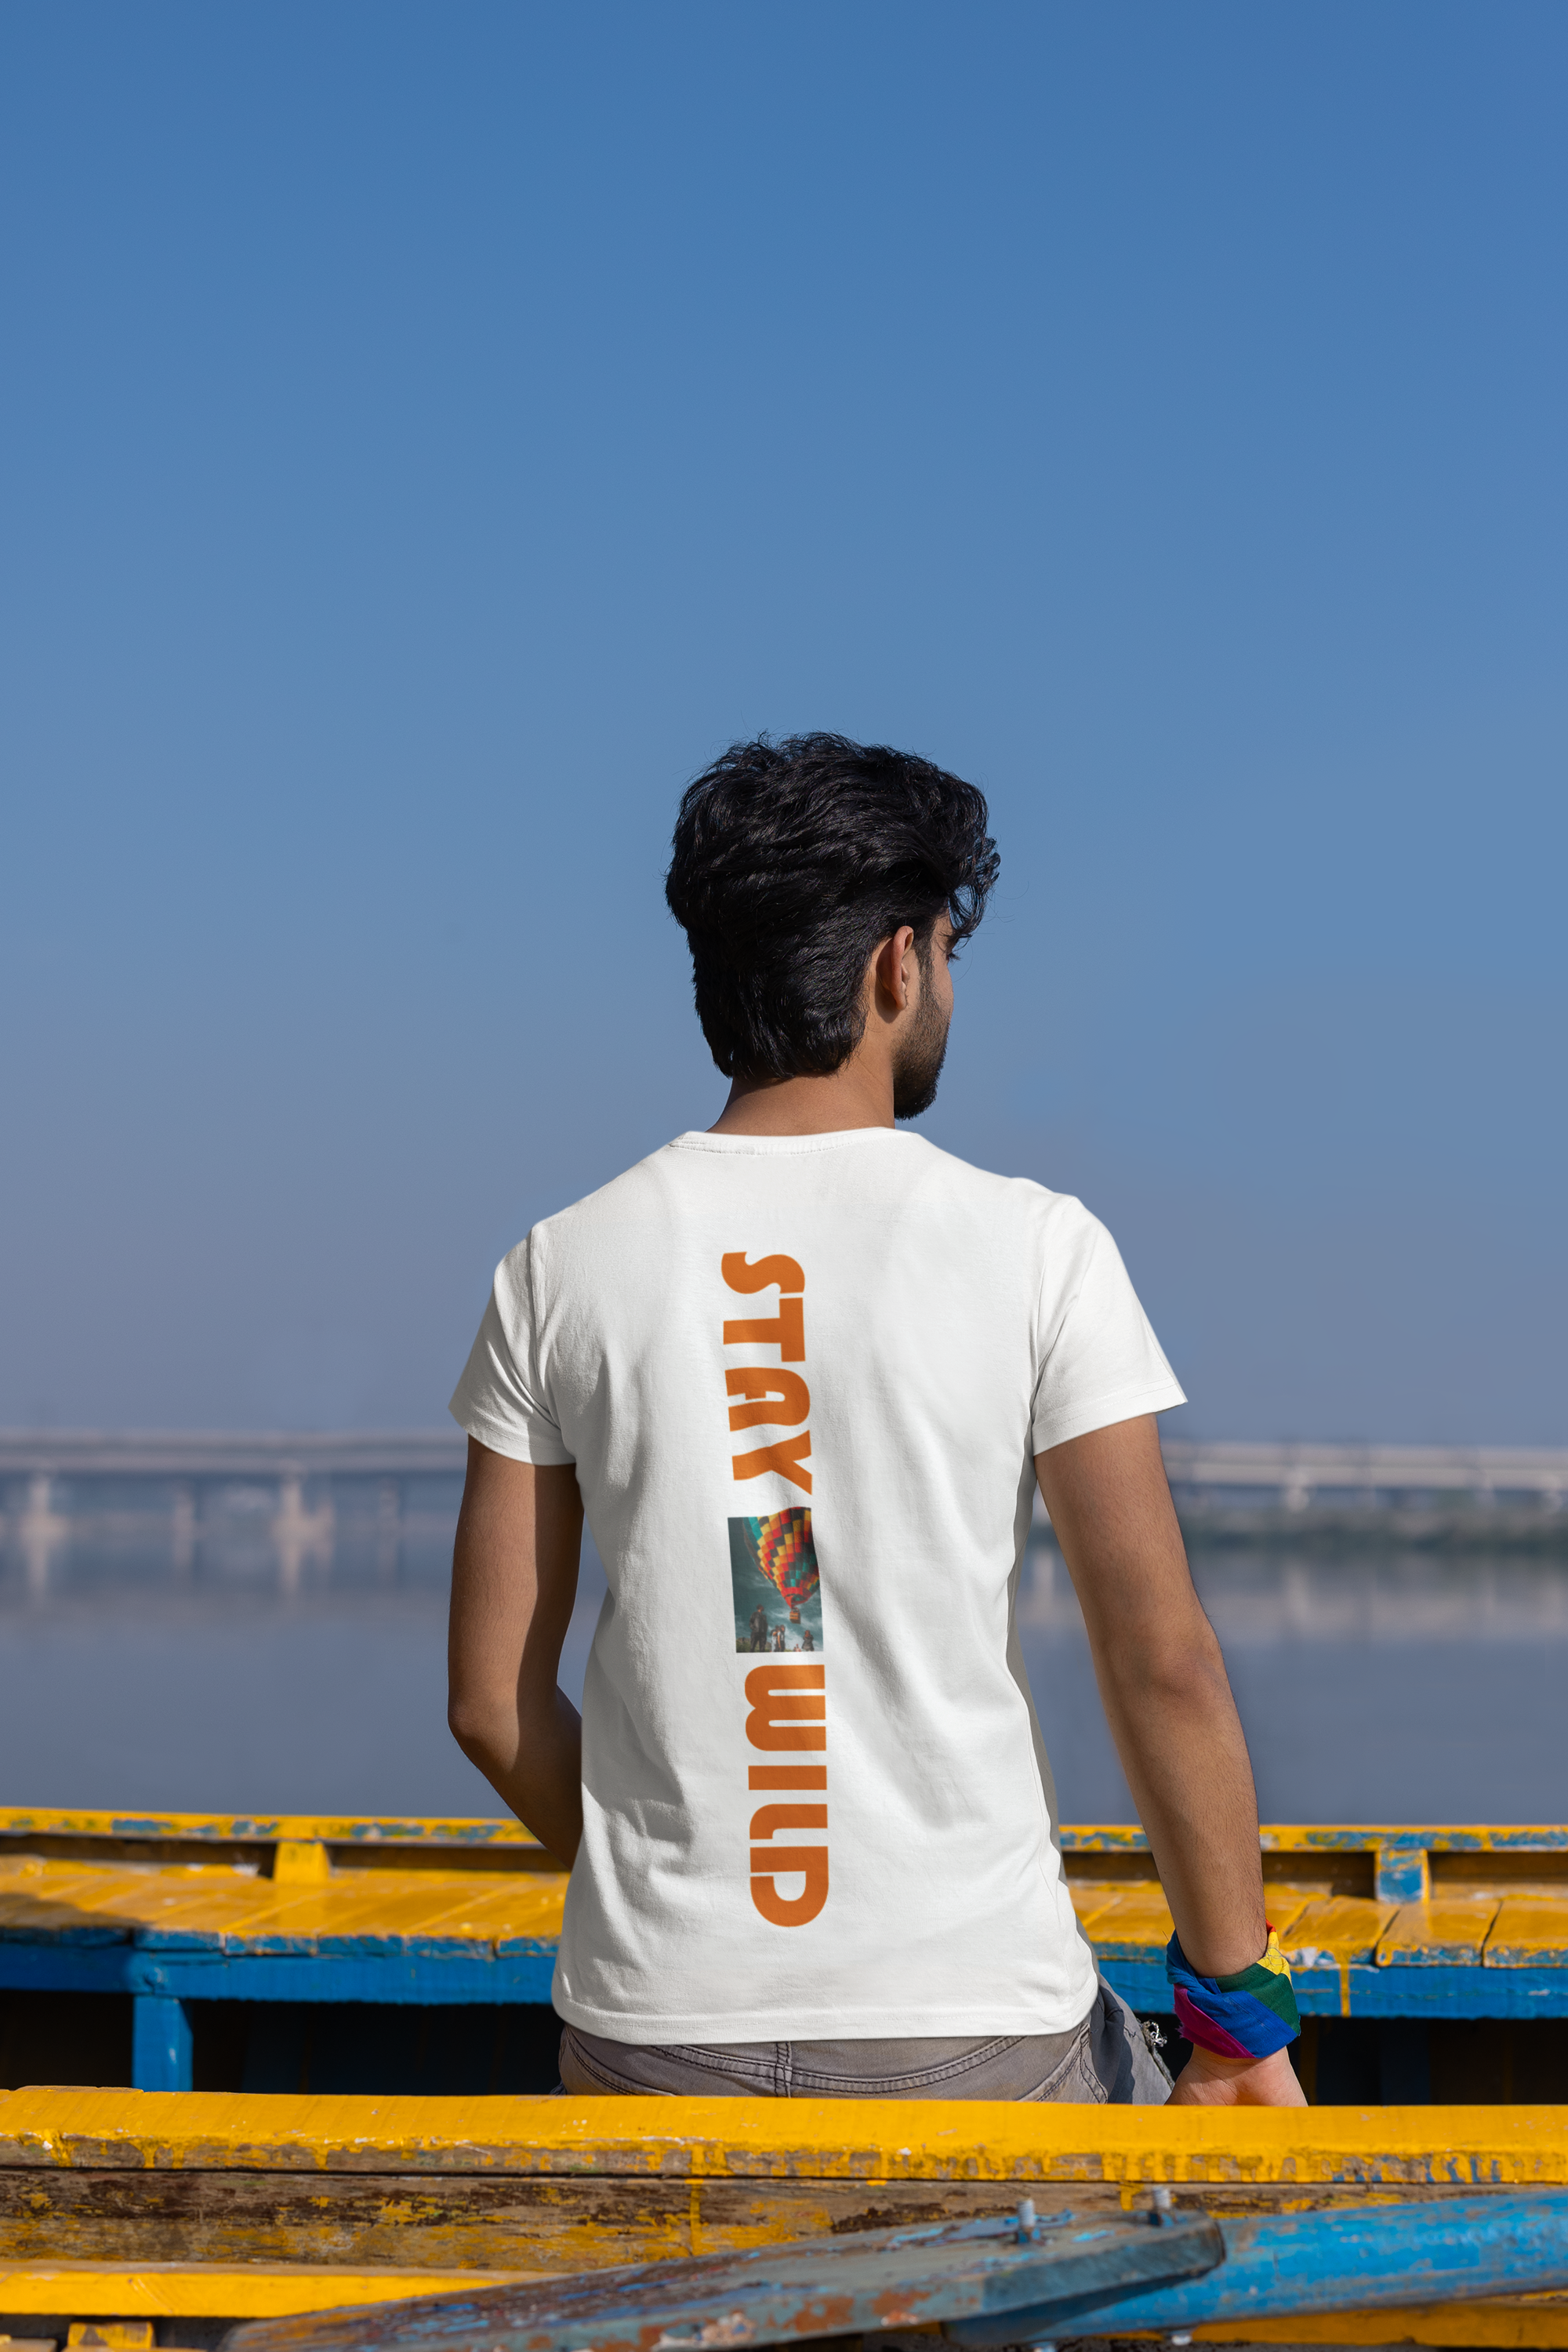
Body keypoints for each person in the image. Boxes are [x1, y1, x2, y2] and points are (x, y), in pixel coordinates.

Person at [447, 732, 1303, 2108]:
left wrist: (680, 1896)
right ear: (897, 965)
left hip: (651, 2044)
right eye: (950, 955)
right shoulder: (1036, 1247)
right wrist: (1236, 2025)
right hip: (975, 2036)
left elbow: (492, 1706)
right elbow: (1163, 1662)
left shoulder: (558, 1263)